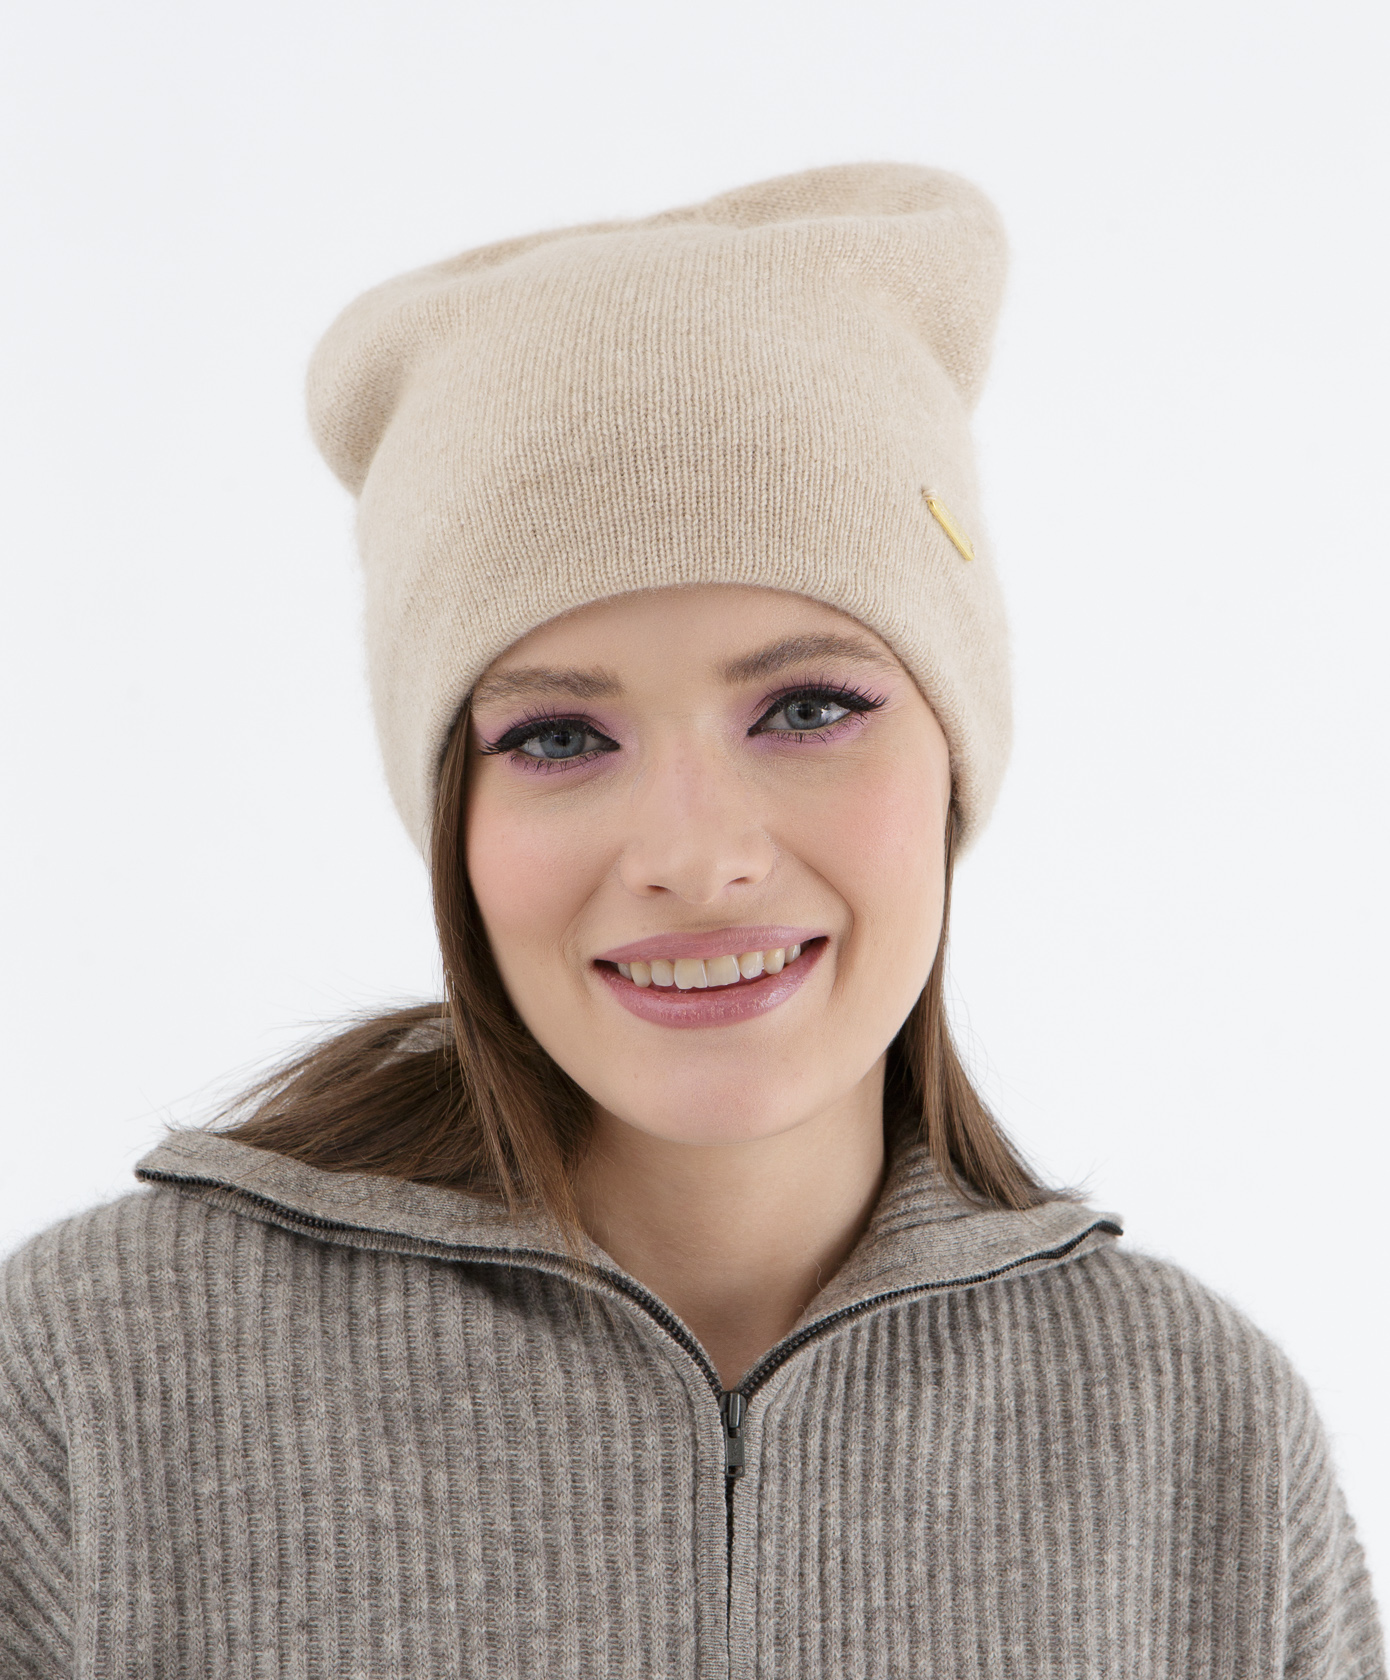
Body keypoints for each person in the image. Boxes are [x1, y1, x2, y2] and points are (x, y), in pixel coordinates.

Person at [0, 163, 1381, 1679]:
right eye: (556, 738)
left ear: (956, 755)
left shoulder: (1197, 1431)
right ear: (454, 819)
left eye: (808, 708)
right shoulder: (89, 1382)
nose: (695, 856)